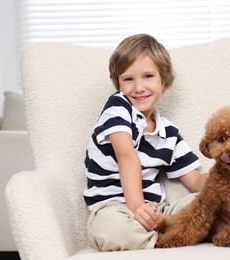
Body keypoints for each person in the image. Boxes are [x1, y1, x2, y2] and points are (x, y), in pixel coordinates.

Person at [83, 34, 209, 251]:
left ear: (164, 81)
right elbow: (126, 156)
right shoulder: (117, 108)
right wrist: (138, 208)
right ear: (118, 84)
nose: (139, 87)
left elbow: (196, 180)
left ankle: (166, 228)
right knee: (111, 229)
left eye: (148, 76)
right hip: (115, 209)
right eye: (128, 79)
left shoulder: (169, 132)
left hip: (158, 212)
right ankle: (170, 238)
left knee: (208, 205)